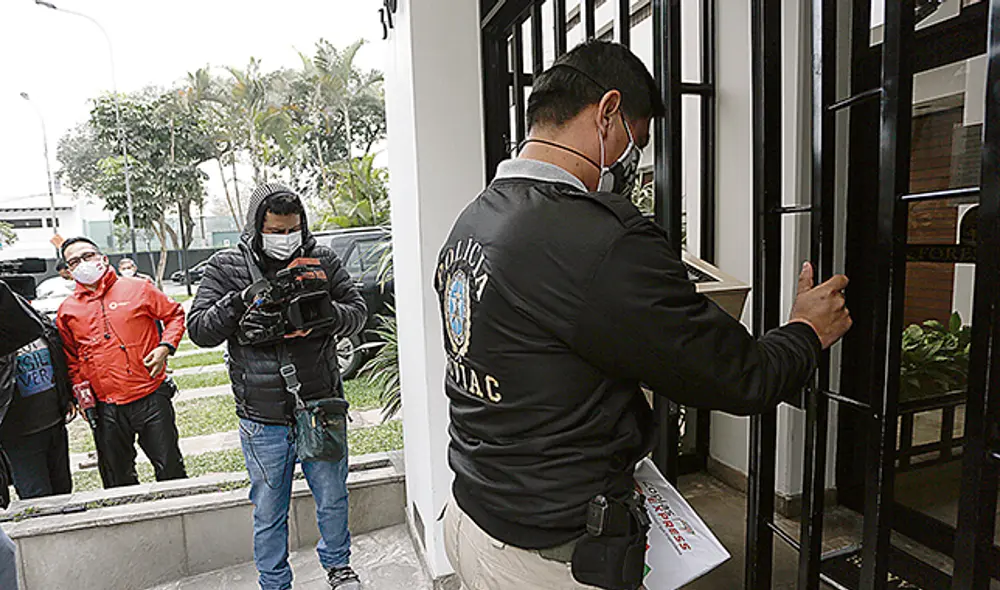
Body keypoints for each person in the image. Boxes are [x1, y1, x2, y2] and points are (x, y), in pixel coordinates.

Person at [435, 40, 853, 590]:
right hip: (545, 560)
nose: (635, 161)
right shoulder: (596, 237)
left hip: (470, 518)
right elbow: (738, 375)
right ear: (607, 112)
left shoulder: (474, 219)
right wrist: (805, 330)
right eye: (638, 141)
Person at [188, 184, 367, 590]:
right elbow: (199, 330)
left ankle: (339, 568)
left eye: (293, 229)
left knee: (333, 497)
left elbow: (357, 311)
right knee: (269, 509)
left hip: (320, 405)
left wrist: (323, 314)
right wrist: (240, 302)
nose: (285, 238)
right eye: (275, 230)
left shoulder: (322, 259)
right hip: (261, 416)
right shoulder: (226, 266)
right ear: (256, 227)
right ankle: (274, 582)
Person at [56, 237, 187, 488]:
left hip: (150, 396)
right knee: (117, 480)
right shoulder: (67, 310)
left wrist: (165, 347)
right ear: (69, 272)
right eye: (74, 261)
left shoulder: (139, 288)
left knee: (170, 471)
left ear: (103, 258)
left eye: (87, 256)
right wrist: (81, 397)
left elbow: (174, 315)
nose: (83, 264)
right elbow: (71, 360)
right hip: (106, 407)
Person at [0, 288, 74, 498]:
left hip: (54, 422)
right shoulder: (5, 336)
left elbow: (59, 361)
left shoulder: (41, 326)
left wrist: (66, 397)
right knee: (37, 495)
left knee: (63, 489)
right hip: (19, 432)